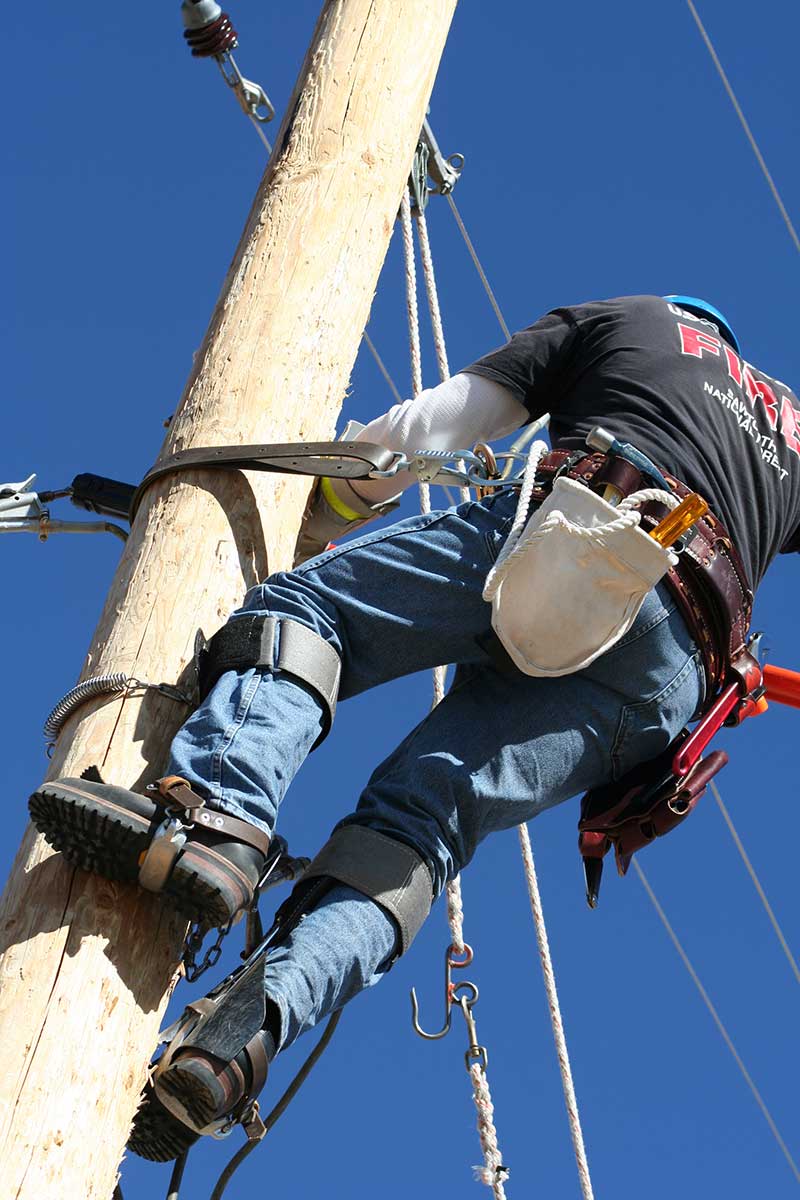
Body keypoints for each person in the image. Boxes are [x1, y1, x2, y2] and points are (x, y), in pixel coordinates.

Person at [29, 295, 800, 1161]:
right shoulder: (794, 430)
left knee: (310, 611)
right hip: (673, 672)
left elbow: (446, 421)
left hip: (586, 532)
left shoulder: (630, 321)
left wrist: (328, 508)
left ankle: (213, 818)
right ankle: (241, 1039)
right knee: (426, 824)